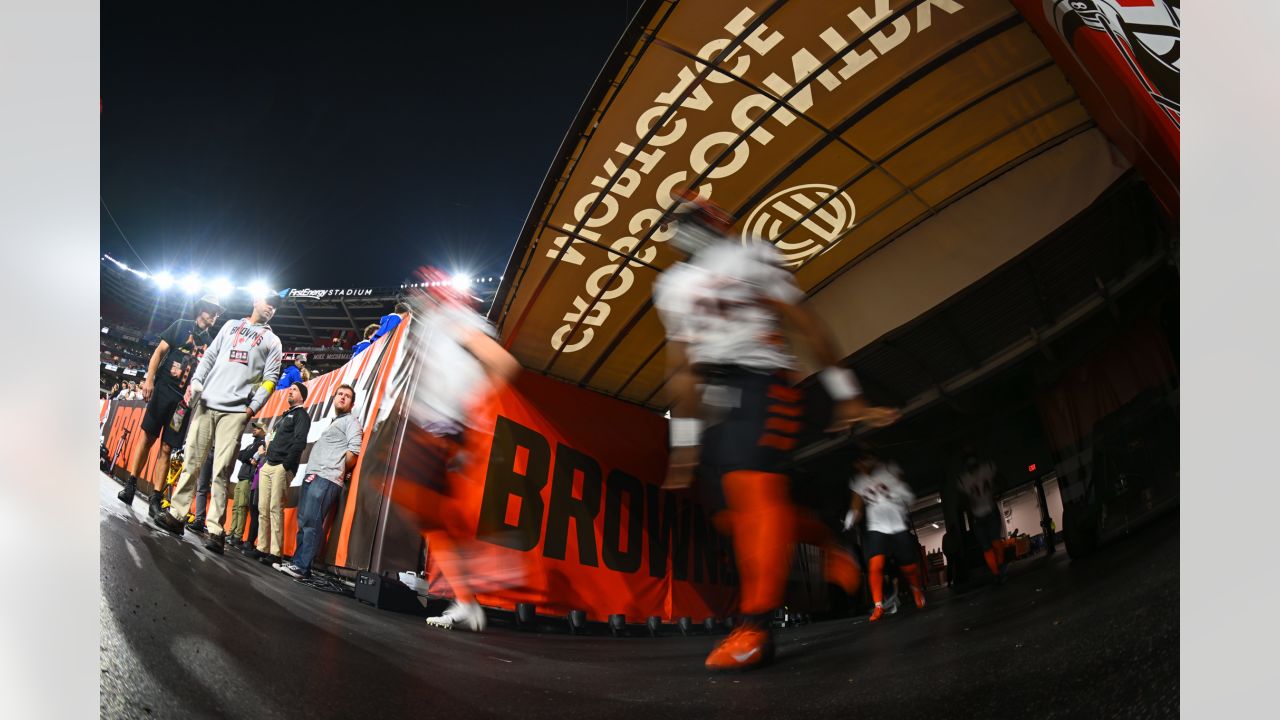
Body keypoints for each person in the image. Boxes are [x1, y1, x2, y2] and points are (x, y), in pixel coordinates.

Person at [652, 193, 899, 671]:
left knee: (754, 492)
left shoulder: (752, 254)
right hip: (716, 397)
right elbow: (680, 368)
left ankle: (756, 627)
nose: (684, 227)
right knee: (732, 519)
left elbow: (803, 322)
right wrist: (683, 448)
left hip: (764, 381)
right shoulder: (673, 285)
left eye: (691, 216)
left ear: (713, 216)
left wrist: (845, 392)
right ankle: (826, 541)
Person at [390, 268, 520, 632]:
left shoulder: (457, 319)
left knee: (425, 508)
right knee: (431, 517)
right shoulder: (433, 325)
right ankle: (469, 594)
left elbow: (503, 364)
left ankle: (490, 563)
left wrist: (472, 416)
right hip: (435, 426)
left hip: (446, 427)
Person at [152, 295, 283, 557]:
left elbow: (271, 379)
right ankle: (178, 514)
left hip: (235, 411)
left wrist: (252, 408)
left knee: (221, 471)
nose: (270, 307)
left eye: (275, 305)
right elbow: (209, 357)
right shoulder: (230, 325)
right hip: (207, 402)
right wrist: (196, 382)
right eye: (267, 301)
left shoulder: (273, 341)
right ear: (256, 300)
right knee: (191, 460)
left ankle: (215, 530)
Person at [117, 294, 222, 517]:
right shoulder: (181, 326)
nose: (215, 315)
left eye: (217, 312)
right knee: (147, 437)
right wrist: (149, 379)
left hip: (183, 403)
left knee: (167, 447)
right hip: (163, 390)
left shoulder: (211, 343)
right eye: (212, 310)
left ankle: (156, 497)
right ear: (202, 309)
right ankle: (131, 485)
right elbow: (159, 352)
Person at [276, 384, 362, 579]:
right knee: (304, 520)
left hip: (326, 478)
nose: (342, 397)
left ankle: (303, 567)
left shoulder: (351, 422)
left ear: (352, 403)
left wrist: (337, 468)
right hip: (313, 475)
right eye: (339, 394)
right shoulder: (336, 421)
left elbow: (353, 453)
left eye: (347, 396)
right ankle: (297, 563)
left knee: (312, 522)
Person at [847, 457, 927, 622]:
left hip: (897, 524)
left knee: (908, 567)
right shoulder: (859, 480)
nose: (862, 466)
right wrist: (852, 515)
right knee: (875, 565)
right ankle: (878, 606)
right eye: (858, 463)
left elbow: (906, 491)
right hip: (877, 527)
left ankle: (916, 588)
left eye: (864, 462)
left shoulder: (889, 469)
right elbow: (857, 503)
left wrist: (902, 494)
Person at [245, 382, 310, 565]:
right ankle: (262, 548)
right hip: (268, 465)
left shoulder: (301, 416)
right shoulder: (284, 416)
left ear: (302, 396)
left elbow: (299, 442)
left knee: (275, 508)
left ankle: (275, 553)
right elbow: (272, 438)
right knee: (263, 508)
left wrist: (286, 465)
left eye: (294, 390)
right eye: (290, 389)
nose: (290, 391)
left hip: (282, 466)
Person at [957, 454, 1007, 582]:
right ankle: (997, 572)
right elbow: (1000, 479)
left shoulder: (970, 476)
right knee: (988, 546)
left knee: (993, 543)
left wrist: (999, 491)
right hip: (980, 515)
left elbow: (1000, 479)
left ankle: (999, 569)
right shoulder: (970, 477)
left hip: (986, 512)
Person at [227, 421, 266, 548]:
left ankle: (237, 536)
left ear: (263, 430)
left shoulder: (262, 443)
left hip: (248, 478)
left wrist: (247, 457)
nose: (254, 429)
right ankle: (231, 532)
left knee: (242, 507)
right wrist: (247, 457)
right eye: (254, 428)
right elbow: (241, 455)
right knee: (236, 507)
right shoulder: (252, 445)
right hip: (242, 477)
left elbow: (247, 455)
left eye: (257, 428)